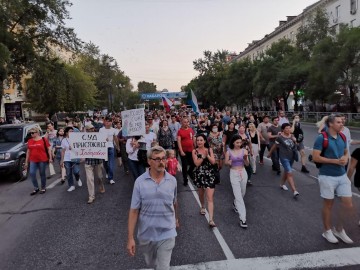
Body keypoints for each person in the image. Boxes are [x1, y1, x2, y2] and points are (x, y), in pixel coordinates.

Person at [127, 146, 178, 270]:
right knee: (152, 264)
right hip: (146, 234)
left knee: (163, 267)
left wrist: (176, 218)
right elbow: (134, 211)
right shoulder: (139, 182)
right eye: (157, 159)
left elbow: (174, 202)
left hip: (167, 231)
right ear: (149, 161)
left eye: (163, 158)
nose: (161, 162)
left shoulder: (172, 180)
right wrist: (130, 238)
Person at [312, 114, 354, 244]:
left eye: (342, 122)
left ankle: (339, 229)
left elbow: (346, 151)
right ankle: (327, 230)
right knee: (328, 205)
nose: (342, 124)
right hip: (327, 176)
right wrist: (335, 161)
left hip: (342, 175)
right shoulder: (322, 138)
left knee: (348, 204)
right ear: (330, 124)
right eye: (339, 122)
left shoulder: (342, 136)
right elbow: (316, 157)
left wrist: (345, 158)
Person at [268, 123, 300, 198]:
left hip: (291, 157)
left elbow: (296, 146)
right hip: (284, 157)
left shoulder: (292, 136)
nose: (288, 129)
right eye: (286, 128)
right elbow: (274, 146)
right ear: (283, 129)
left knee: (286, 171)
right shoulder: (280, 137)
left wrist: (295, 141)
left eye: (289, 128)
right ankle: (294, 190)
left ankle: (282, 184)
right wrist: (270, 153)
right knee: (289, 172)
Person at [224, 135, 250, 228]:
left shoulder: (244, 151)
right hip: (234, 173)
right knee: (238, 196)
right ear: (233, 143)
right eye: (237, 142)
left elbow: (247, 164)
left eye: (240, 142)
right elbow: (225, 163)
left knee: (243, 192)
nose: (239, 144)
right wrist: (228, 162)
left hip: (243, 172)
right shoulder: (229, 152)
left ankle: (235, 203)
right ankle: (243, 218)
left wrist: (246, 158)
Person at [192, 134, 217, 228]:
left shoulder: (209, 149)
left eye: (201, 140)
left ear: (204, 141)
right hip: (199, 174)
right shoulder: (194, 151)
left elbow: (213, 162)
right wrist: (202, 157)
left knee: (210, 197)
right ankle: (202, 206)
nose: (199, 142)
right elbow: (196, 163)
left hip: (210, 174)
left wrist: (207, 155)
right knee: (201, 193)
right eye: (197, 140)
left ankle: (211, 219)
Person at [24, 127, 52, 195]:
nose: (31, 134)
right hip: (33, 160)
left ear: (37, 133)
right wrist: (26, 162)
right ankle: (36, 188)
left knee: (42, 174)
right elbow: (28, 151)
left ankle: (43, 188)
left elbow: (48, 149)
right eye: (30, 133)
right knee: (32, 173)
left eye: (33, 133)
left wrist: (50, 158)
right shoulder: (30, 141)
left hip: (42, 159)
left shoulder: (43, 139)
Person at [84, 124, 105, 204]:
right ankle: (91, 196)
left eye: (92, 128)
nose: (91, 130)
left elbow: (103, 144)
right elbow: (78, 146)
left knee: (99, 176)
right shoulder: (83, 138)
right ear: (86, 130)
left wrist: (105, 140)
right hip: (88, 161)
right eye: (89, 129)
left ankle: (101, 185)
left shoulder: (99, 136)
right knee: (89, 179)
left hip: (98, 160)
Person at [99, 116, 120, 185]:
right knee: (105, 164)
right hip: (103, 149)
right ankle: (107, 172)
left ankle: (111, 178)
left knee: (111, 164)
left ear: (111, 122)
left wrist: (117, 147)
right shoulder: (101, 130)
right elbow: (98, 139)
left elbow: (116, 139)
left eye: (109, 121)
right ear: (104, 122)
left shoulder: (114, 130)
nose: (108, 122)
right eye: (107, 121)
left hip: (111, 147)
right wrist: (103, 139)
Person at [60, 126, 82, 192]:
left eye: (72, 131)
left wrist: (81, 156)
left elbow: (80, 148)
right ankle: (71, 185)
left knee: (76, 171)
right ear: (66, 133)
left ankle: (77, 178)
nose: (72, 132)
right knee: (68, 173)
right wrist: (62, 160)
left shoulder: (76, 139)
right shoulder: (64, 140)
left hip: (75, 157)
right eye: (70, 131)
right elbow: (63, 151)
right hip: (67, 158)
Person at [177, 117, 195, 186]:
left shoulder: (190, 130)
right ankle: (185, 180)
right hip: (183, 151)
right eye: (185, 122)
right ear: (182, 123)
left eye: (187, 122)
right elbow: (179, 141)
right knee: (184, 165)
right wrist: (181, 151)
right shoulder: (180, 131)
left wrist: (195, 148)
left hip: (191, 150)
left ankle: (190, 172)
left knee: (193, 164)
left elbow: (193, 139)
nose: (186, 123)